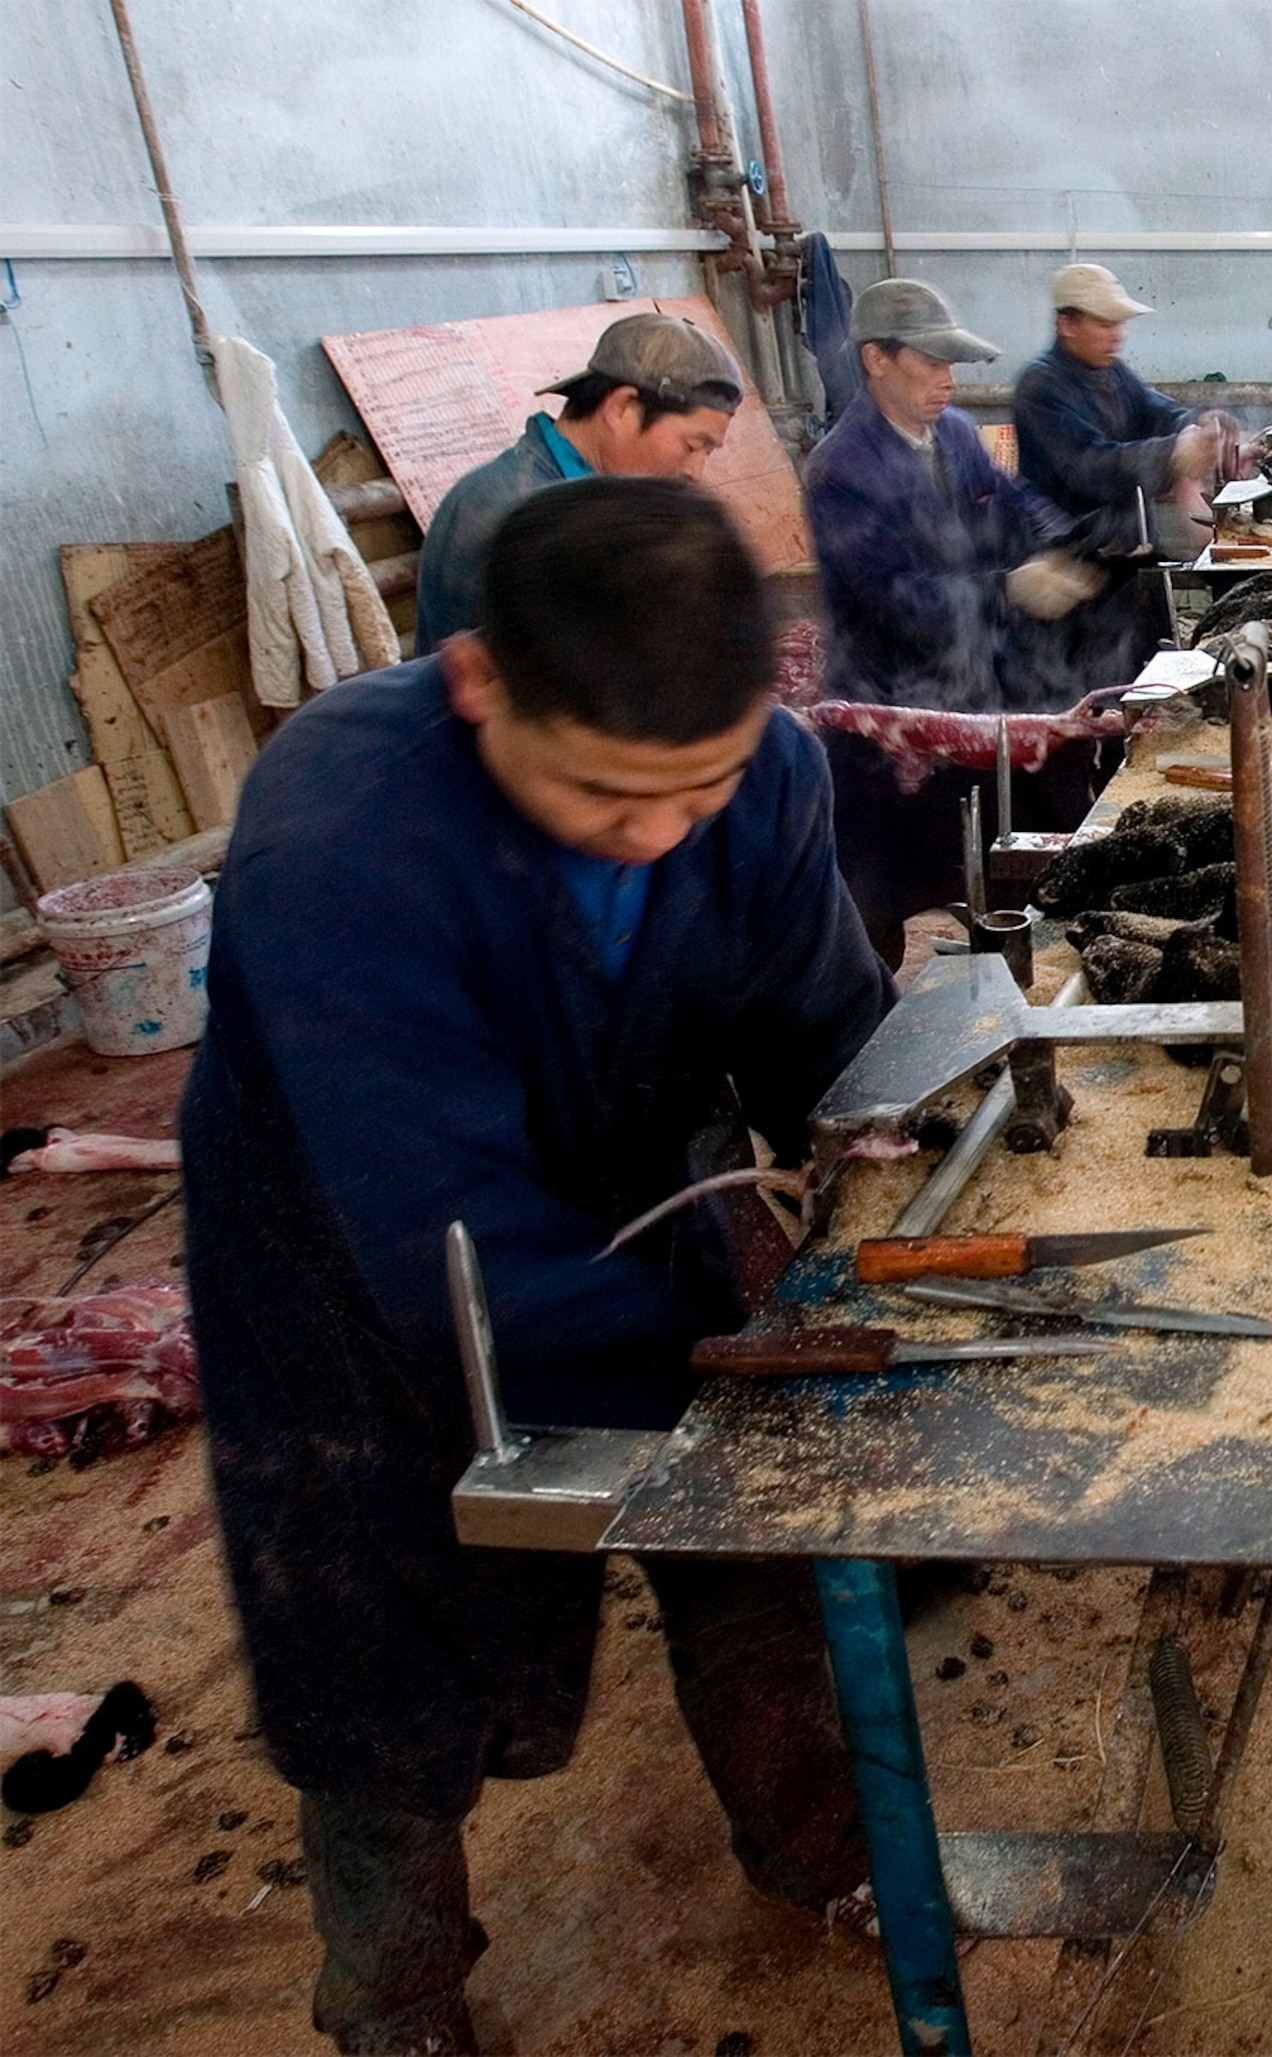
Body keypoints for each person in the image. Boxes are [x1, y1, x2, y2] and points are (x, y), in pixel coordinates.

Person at [182, 476, 895, 2052]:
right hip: (348, 1263)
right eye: (605, 797)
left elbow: (823, 1027)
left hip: (637, 1189)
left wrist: (883, 1164)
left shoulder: (760, 773)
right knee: (375, 1649)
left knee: (748, 1546)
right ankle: (397, 1992)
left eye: (695, 793)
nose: (658, 835)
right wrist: (710, 1372)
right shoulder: (338, 830)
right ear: (479, 682)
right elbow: (438, 1216)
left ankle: (823, 1846)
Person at [804, 277, 1135, 963]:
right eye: (930, 362)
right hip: (891, 717)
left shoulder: (953, 433)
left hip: (973, 687)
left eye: (952, 364)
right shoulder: (842, 468)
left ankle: (1017, 956)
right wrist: (1010, 588)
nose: (948, 381)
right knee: (874, 900)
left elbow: (1014, 505)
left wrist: (1079, 544)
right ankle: (876, 1026)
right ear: (876, 359)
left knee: (1029, 839)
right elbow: (895, 600)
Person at [413, 312, 746, 648]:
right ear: (622, 408)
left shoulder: (574, 498)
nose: (695, 472)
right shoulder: (527, 520)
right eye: (692, 445)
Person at [1009, 263, 1227, 701]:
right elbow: (1087, 466)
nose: (1117, 335)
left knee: (1147, 691)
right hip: (1069, 578)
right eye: (1105, 324)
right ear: (1066, 325)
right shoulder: (1040, 387)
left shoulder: (1111, 373)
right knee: (1091, 704)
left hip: (1126, 568)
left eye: (1119, 324)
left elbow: (1157, 409)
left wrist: (1198, 428)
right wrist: (1172, 453)